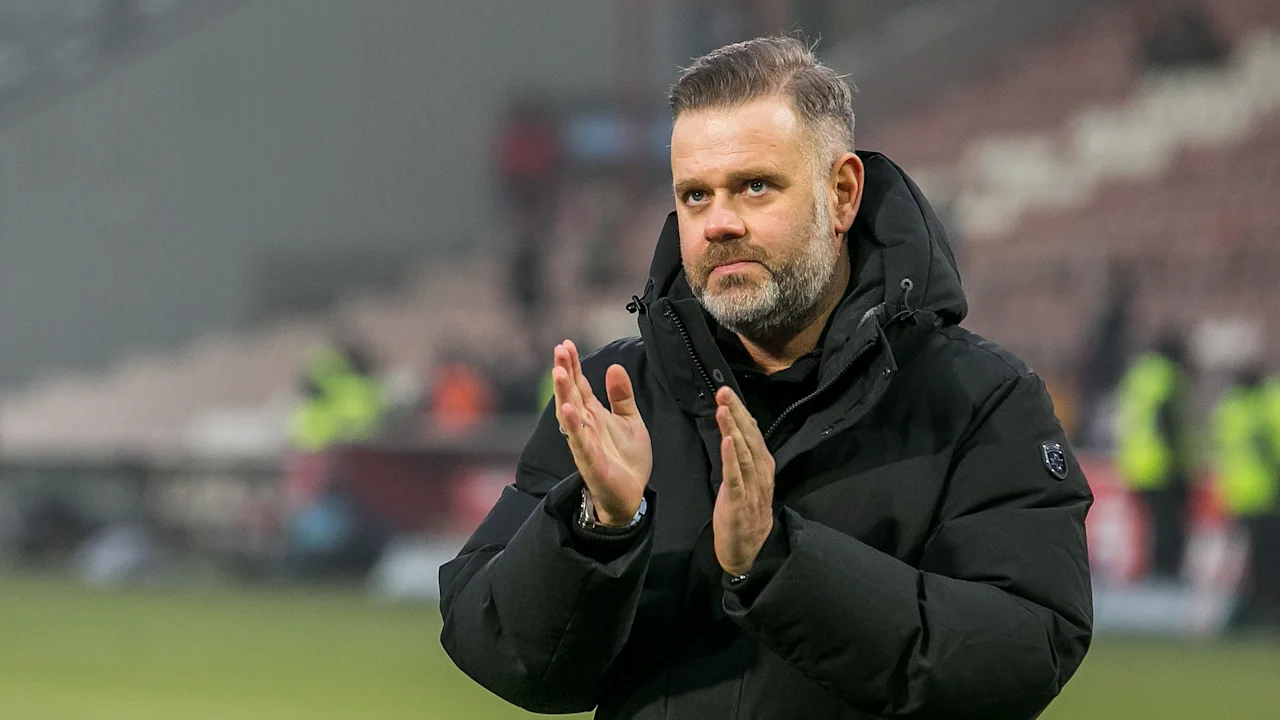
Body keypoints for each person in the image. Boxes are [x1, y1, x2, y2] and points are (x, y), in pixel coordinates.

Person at [440, 37, 1093, 719]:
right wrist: (598, 527)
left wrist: (778, 561)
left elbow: (1024, 655)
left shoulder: (980, 401)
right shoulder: (616, 394)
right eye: (695, 195)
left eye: (755, 186)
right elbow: (500, 648)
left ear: (841, 194)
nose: (719, 223)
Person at [1114, 334, 1195, 581]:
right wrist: (1179, 457)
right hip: (1162, 463)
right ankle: (1166, 574)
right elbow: (1167, 419)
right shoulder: (1168, 376)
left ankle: (1150, 573)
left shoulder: (1137, 375)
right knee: (1168, 524)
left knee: (1147, 525)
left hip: (1136, 462)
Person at [1214, 369, 1280, 628]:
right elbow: (1267, 452)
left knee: (1254, 553)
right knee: (1268, 554)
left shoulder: (1229, 409)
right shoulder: (1259, 410)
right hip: (1264, 492)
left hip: (1239, 492)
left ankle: (1257, 603)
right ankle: (1268, 606)